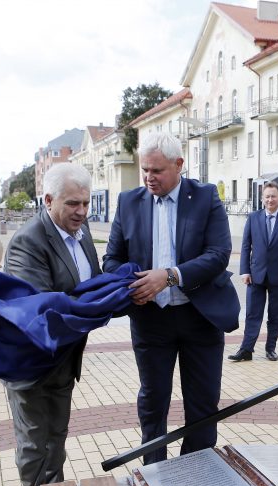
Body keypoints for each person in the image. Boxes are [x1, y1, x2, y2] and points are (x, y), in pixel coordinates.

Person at [103, 131, 240, 465]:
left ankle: (197, 472)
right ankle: (156, 475)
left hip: (200, 317)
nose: (149, 178)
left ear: (179, 164)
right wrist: (133, 284)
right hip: (151, 321)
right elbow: (111, 260)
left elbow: (219, 253)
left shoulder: (206, 197)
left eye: (157, 170)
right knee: (153, 401)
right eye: (144, 170)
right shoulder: (129, 202)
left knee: (203, 404)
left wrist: (169, 275)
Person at [3, 163, 100, 486]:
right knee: (35, 443)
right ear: (48, 200)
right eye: (72, 203)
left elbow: (94, 284)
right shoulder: (27, 241)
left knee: (56, 437)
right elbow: (42, 306)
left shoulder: (81, 236)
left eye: (85, 203)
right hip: (31, 362)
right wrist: (97, 307)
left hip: (64, 358)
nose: (81, 211)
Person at [228, 181, 278, 362]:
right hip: (255, 275)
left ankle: (270, 348)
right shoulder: (253, 218)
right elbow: (245, 247)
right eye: (267, 196)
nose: (270, 200)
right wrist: (244, 270)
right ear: (262, 198)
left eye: (273, 196)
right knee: (253, 314)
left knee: (275, 315)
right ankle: (246, 349)